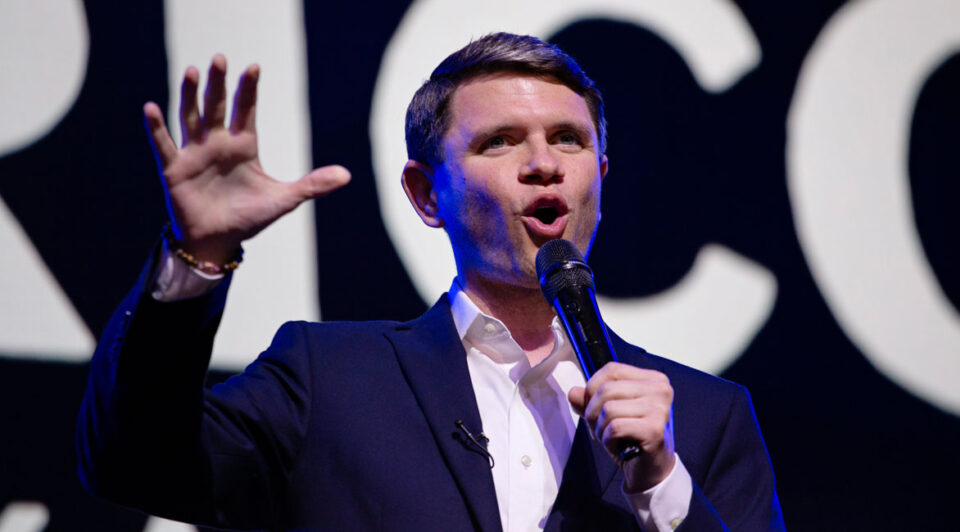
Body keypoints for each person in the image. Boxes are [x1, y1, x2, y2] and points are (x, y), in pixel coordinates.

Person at [77, 33, 784, 531]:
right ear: (425, 195)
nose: (544, 163)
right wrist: (196, 257)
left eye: (568, 139)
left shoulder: (705, 417)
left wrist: (662, 485)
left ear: (599, 177)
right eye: (499, 141)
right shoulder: (329, 380)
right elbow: (132, 464)